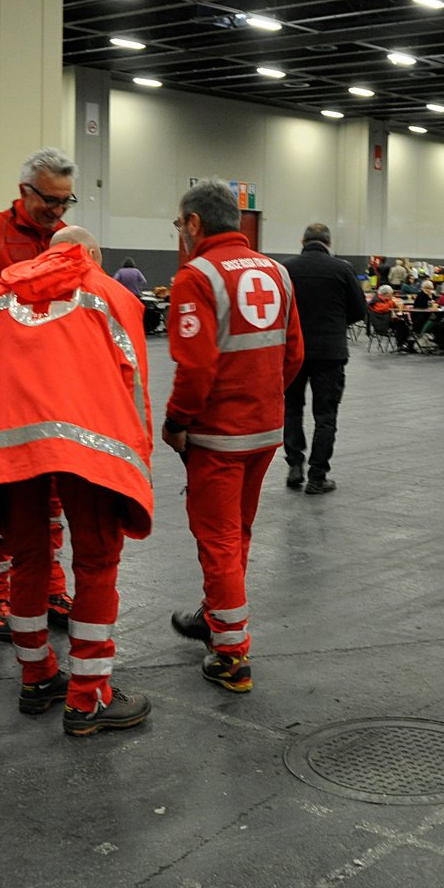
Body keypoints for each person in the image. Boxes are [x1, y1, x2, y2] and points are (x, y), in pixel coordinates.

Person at [0, 224, 154, 733]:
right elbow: (133, 378)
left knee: (28, 560)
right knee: (96, 563)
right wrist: (138, 461)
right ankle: (88, 695)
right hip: (90, 443)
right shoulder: (111, 293)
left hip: (11, 441)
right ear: (90, 254)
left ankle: (36, 677)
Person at [162, 178, 303, 693]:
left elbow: (195, 367)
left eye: (180, 225)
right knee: (237, 531)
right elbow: (293, 355)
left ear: (195, 223)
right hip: (265, 432)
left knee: (216, 536)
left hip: (217, 437)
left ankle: (230, 655)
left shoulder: (196, 276)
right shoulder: (278, 273)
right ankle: (217, 613)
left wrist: (178, 422)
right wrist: (261, 400)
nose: (181, 234)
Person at [0, 148, 79, 643]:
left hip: (61, 387)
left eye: (67, 201)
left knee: (53, 496)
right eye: (50, 200)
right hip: (10, 389)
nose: (58, 211)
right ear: (25, 191)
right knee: (6, 496)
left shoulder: (69, 239)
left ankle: (50, 588)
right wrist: (28, 299)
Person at [280, 223, 366, 494]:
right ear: (329, 242)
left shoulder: (285, 269)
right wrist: (335, 323)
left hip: (293, 351)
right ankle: (317, 477)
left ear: (302, 240)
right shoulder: (342, 269)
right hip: (330, 353)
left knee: (292, 409)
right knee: (325, 416)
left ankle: (294, 466)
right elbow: (359, 310)